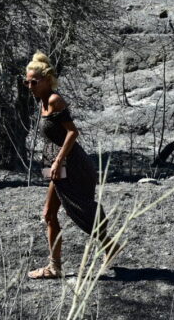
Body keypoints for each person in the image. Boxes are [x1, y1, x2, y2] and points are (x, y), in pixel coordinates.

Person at [25, 52, 119, 279]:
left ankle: (108, 246)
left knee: (77, 208)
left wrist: (57, 161)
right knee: (49, 214)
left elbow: (72, 132)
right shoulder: (41, 101)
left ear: (47, 80)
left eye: (33, 82)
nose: (29, 86)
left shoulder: (54, 100)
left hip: (69, 164)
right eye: (26, 82)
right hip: (55, 164)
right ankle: (55, 266)